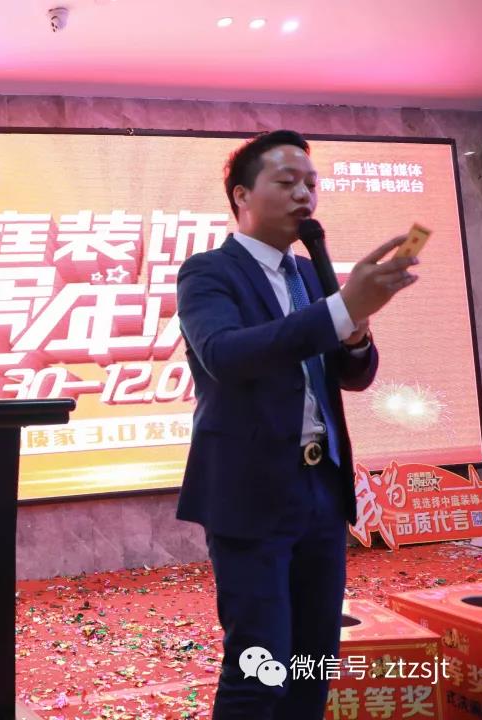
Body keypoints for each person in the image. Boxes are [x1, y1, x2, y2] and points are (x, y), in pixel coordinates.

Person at [175, 129, 419, 719]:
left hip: (321, 492)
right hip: (250, 493)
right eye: (286, 182)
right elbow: (227, 355)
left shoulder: (311, 274)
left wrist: (355, 334)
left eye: (311, 183)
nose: (304, 195)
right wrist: (342, 309)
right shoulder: (208, 272)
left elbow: (353, 375)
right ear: (241, 196)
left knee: (314, 663)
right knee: (259, 670)